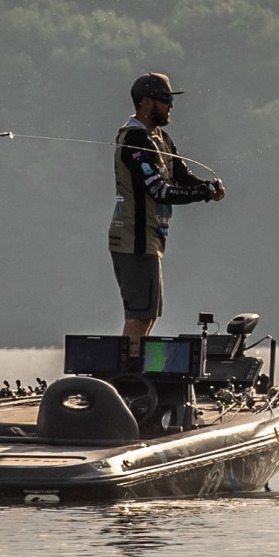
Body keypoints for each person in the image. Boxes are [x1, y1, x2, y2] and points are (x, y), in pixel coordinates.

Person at [109, 72, 226, 353]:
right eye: (165, 99)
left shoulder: (161, 138)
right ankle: (126, 372)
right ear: (146, 102)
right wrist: (203, 193)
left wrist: (208, 187)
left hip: (151, 239)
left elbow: (181, 177)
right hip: (133, 239)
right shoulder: (135, 139)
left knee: (148, 314)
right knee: (139, 315)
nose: (171, 105)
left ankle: (133, 367)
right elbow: (158, 190)